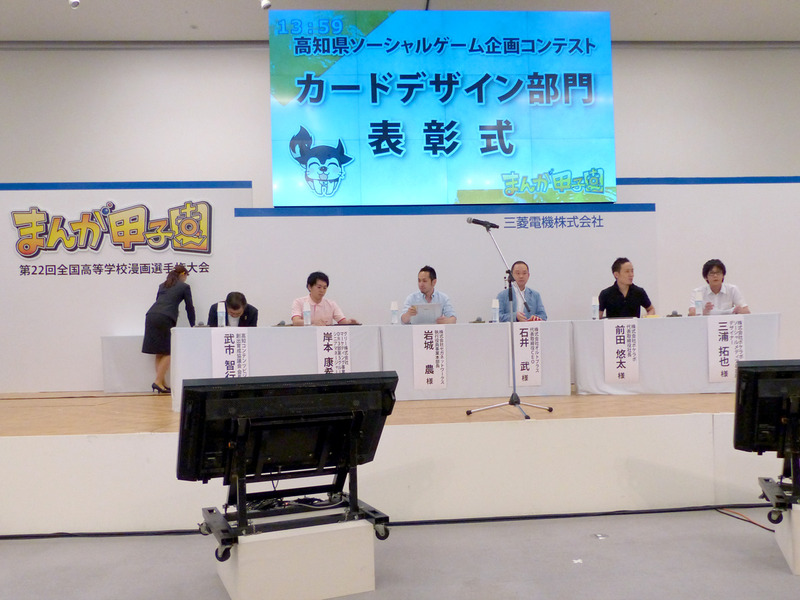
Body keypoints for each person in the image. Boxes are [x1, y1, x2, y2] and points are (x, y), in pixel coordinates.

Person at [141, 264, 195, 393]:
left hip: (151, 315)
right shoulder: (184, 287)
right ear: (183, 274)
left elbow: (158, 301)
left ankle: (162, 383)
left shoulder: (163, 285)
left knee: (159, 351)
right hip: (165, 318)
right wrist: (193, 324)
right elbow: (189, 307)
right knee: (169, 351)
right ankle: (157, 381)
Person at [291, 271, 359, 326]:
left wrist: (350, 323)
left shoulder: (331, 304)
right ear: (309, 287)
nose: (322, 290)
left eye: (325, 288)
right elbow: (296, 322)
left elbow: (342, 321)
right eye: (319, 287)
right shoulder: (299, 302)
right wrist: (313, 322)